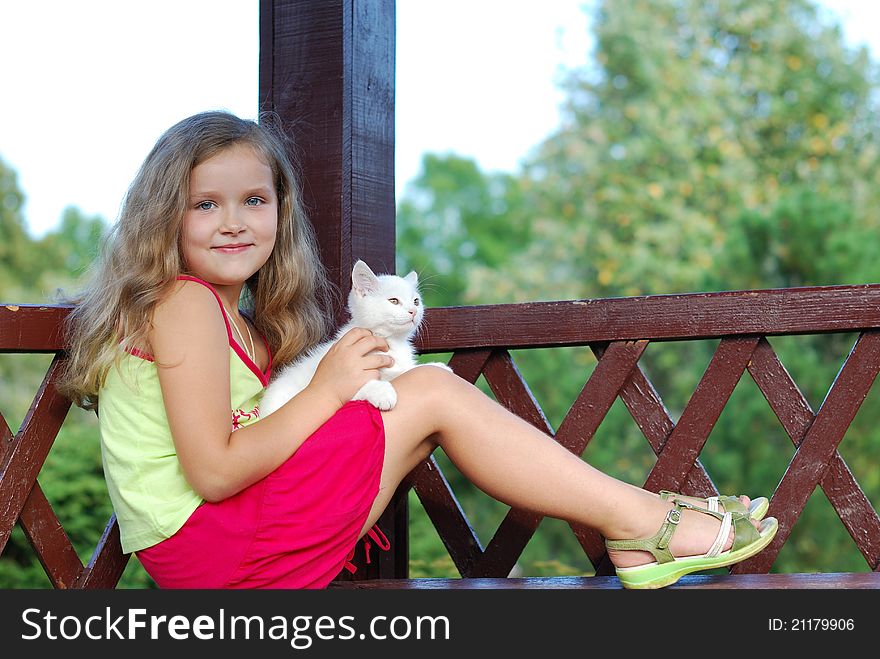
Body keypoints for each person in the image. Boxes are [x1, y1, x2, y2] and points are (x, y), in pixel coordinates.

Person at [59, 111, 777, 590]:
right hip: (213, 550)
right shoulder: (183, 303)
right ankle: (643, 522)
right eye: (205, 204)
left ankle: (641, 518)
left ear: (281, 210)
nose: (234, 222)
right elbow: (213, 472)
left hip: (222, 548)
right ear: (164, 215)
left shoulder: (234, 319)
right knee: (429, 390)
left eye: (255, 200)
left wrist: (335, 395)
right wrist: (323, 390)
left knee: (415, 396)